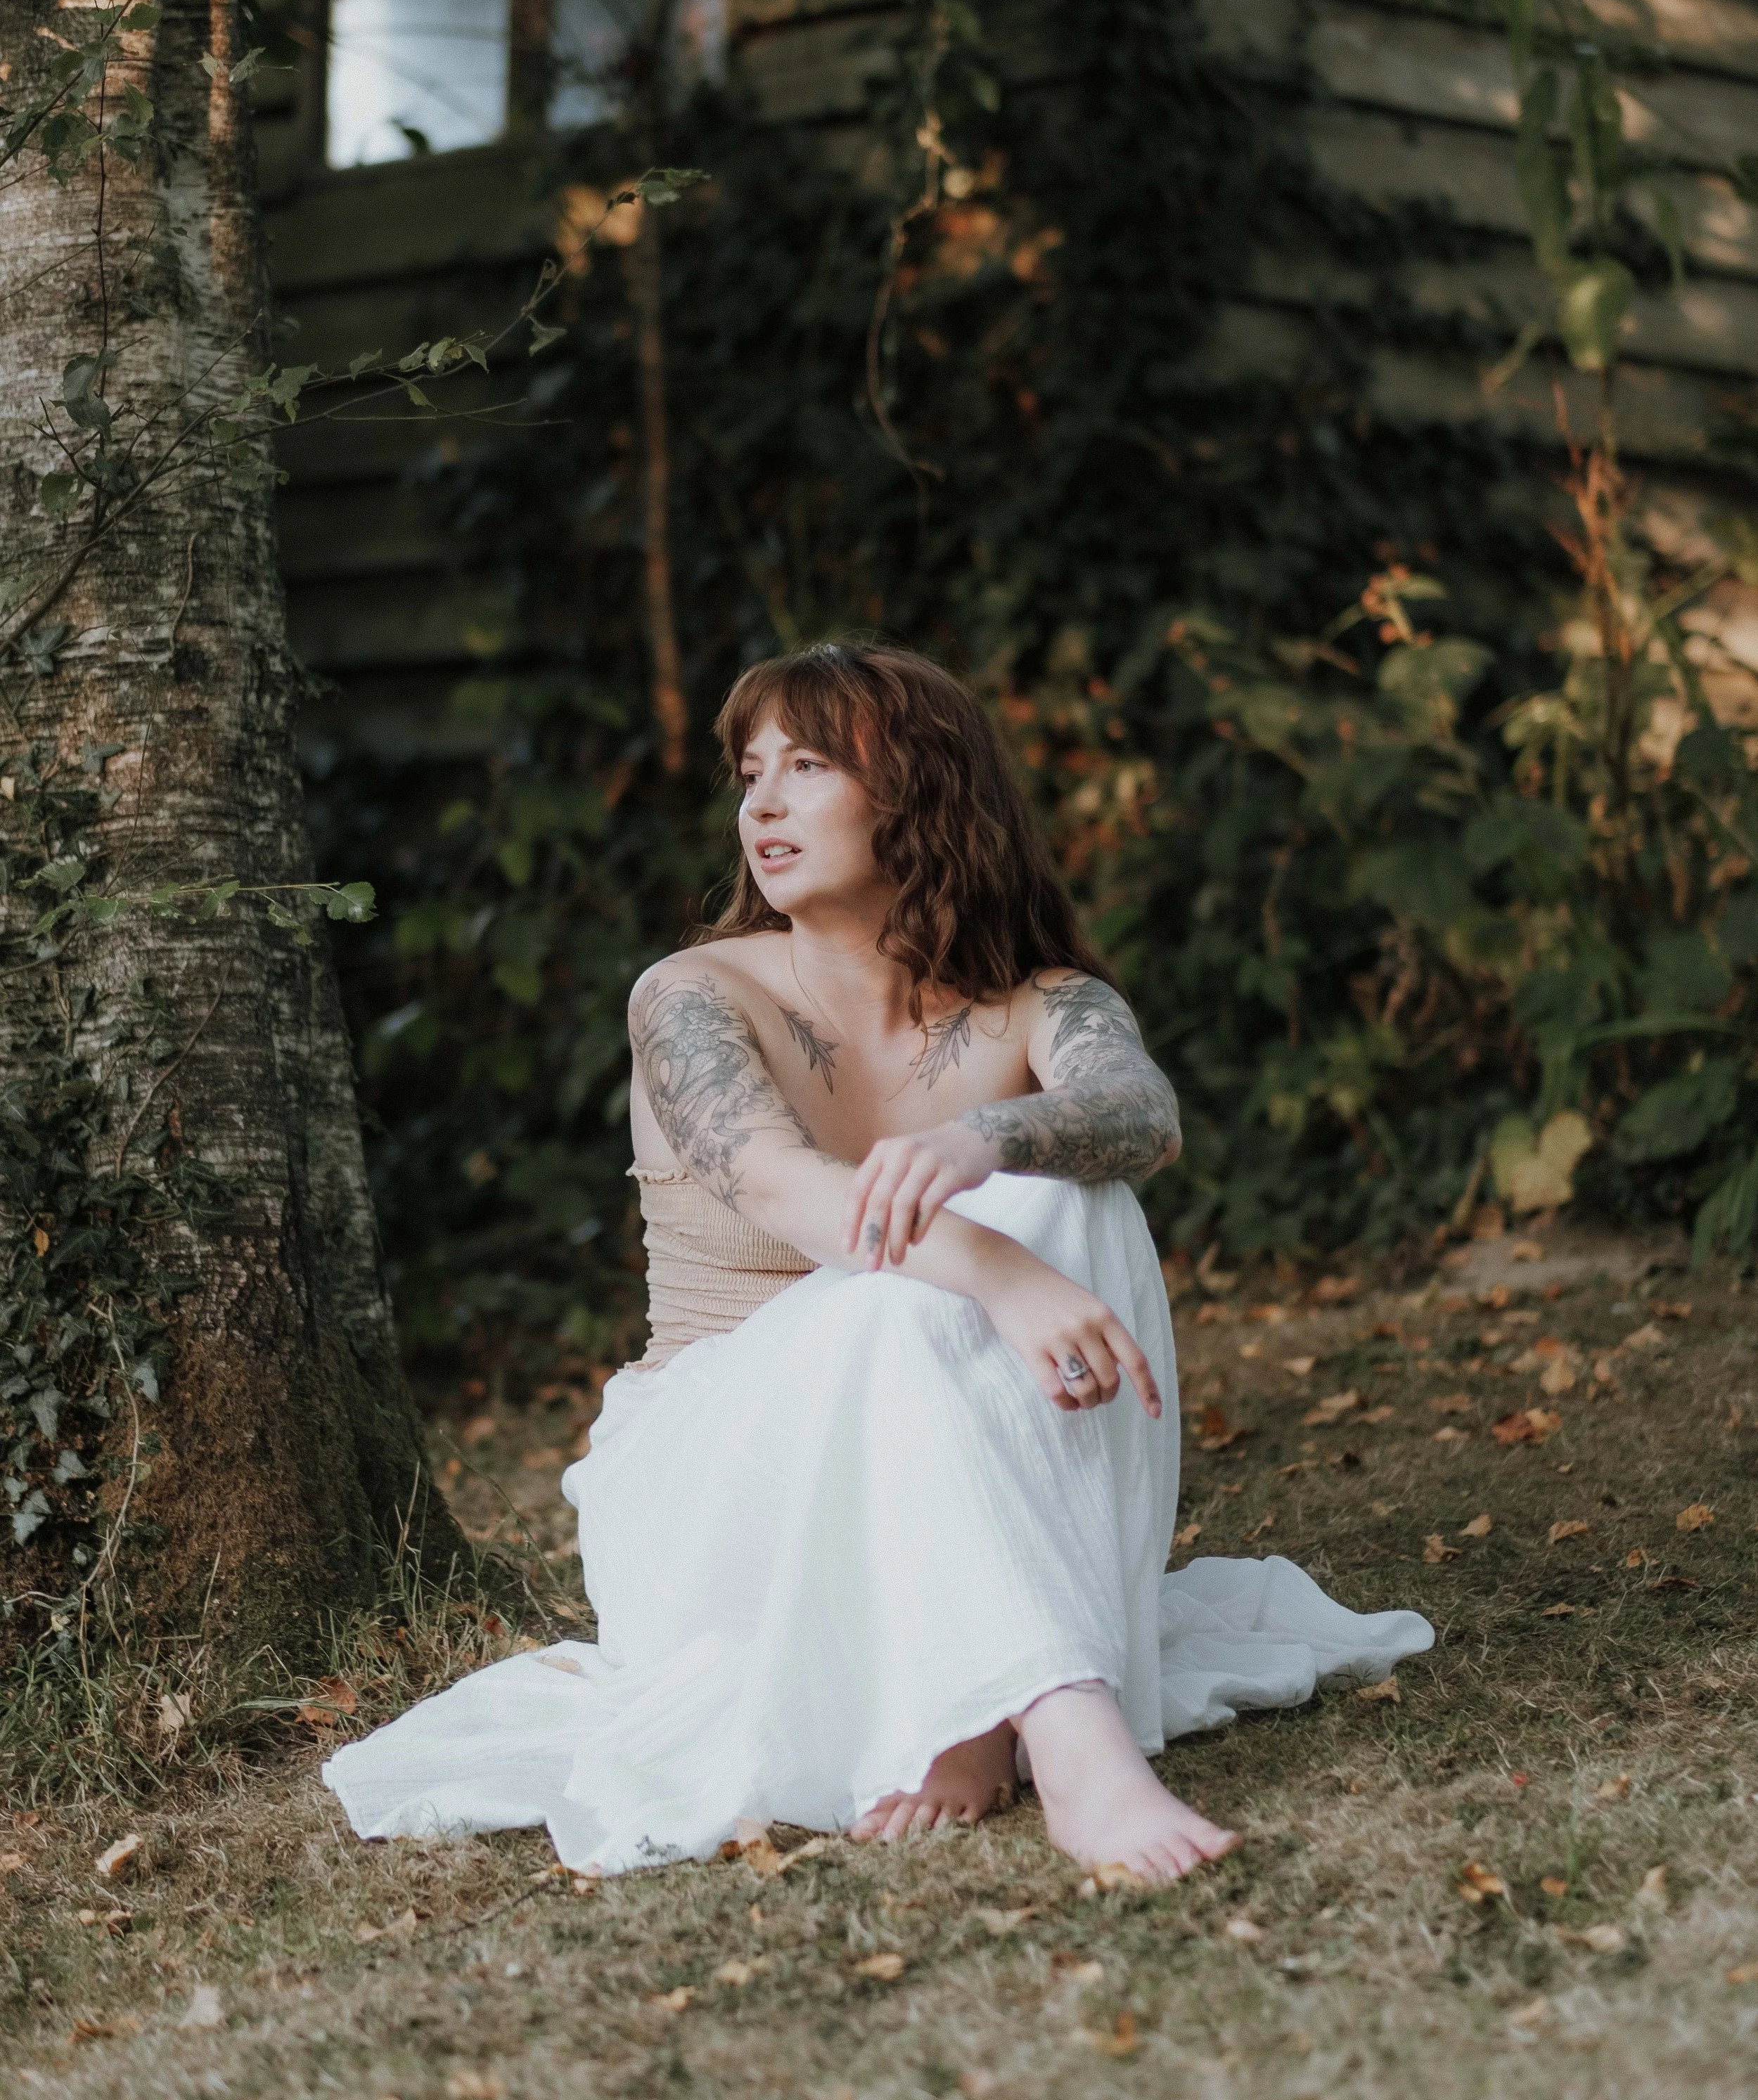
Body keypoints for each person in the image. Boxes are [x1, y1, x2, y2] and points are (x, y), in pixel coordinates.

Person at [323, 644, 1430, 1881]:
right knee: (934, 1282)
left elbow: (1143, 1114)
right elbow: (789, 1192)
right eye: (752, 774)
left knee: (1075, 1195)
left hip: (915, 1430)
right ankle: (1067, 1740)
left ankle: (982, 1700)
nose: (762, 804)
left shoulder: (1038, 1004)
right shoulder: (690, 996)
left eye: (809, 766)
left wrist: (983, 1135)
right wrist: (999, 1270)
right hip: (718, 1486)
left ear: (921, 791)